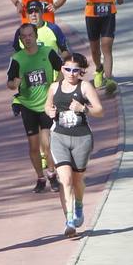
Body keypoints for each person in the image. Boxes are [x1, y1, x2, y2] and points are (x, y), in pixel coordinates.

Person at [45, 53, 103, 238]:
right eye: (67, 69)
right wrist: (49, 110)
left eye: (75, 70)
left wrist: (83, 108)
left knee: (77, 180)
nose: (71, 73)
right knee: (66, 179)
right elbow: (46, 106)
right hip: (59, 136)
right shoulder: (54, 87)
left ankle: (78, 204)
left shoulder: (84, 87)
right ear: (61, 69)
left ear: (81, 71)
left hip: (81, 138)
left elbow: (100, 111)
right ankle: (69, 219)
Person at [6, 23, 63, 194]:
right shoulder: (17, 59)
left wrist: (55, 85)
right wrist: (14, 83)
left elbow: (61, 69)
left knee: (47, 144)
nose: (28, 39)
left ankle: (52, 174)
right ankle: (40, 177)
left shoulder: (47, 52)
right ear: (21, 39)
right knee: (33, 146)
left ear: (36, 36)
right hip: (28, 106)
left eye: (30, 35)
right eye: (24, 36)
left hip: (46, 104)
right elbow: (10, 83)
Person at [73, 0, 125, 93]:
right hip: (92, 12)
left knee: (106, 46)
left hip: (109, 10)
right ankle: (99, 68)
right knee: (95, 49)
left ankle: (109, 80)